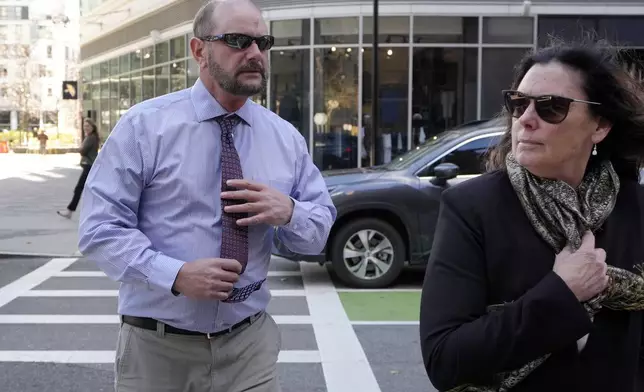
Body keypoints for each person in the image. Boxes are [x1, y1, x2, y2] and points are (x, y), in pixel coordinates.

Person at [77, 0, 336, 391]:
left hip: (250, 347)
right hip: (157, 351)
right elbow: (99, 229)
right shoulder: (145, 127)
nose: (254, 54)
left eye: (262, 42)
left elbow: (317, 233)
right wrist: (176, 275)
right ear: (199, 51)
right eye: (238, 41)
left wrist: (290, 212)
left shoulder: (284, 138)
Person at [419, 39, 644, 392]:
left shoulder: (634, 207)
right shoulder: (472, 207)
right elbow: (445, 359)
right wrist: (562, 293)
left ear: (600, 125)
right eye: (518, 103)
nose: (525, 119)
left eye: (551, 107)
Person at [57, 118, 99, 219]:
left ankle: (70, 211)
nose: (86, 128)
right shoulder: (91, 137)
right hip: (90, 166)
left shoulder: (91, 138)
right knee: (90, 189)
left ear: (93, 127)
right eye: (85, 126)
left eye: (88, 126)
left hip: (89, 166)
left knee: (79, 188)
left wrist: (80, 149)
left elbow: (83, 151)